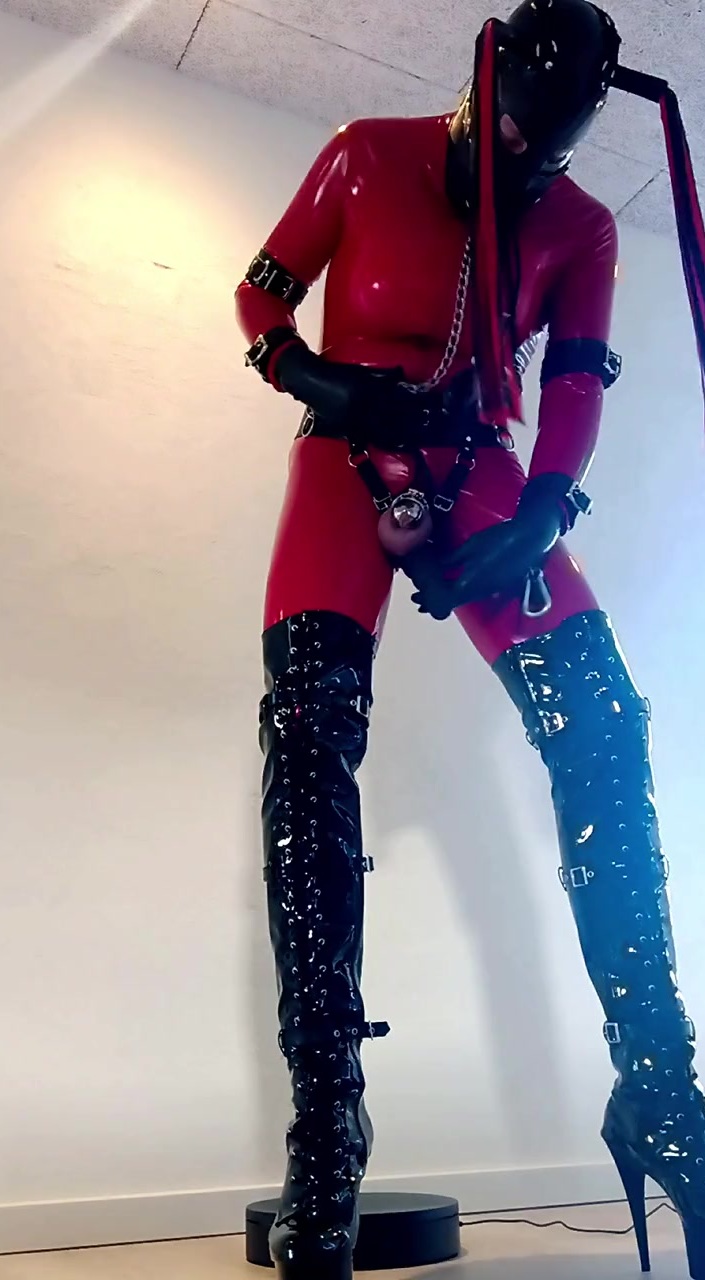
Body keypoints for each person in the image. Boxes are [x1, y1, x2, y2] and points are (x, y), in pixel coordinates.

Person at [235, 3, 705, 1277]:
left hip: (480, 463)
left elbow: (576, 377)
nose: (520, 169)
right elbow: (261, 295)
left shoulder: (580, 227)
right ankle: (328, 1119)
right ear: (482, 87)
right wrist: (317, 380)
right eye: (508, 140)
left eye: (546, 156)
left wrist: (546, 506)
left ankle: (663, 1093)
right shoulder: (363, 153)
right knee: (305, 735)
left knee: (603, 721)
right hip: (347, 452)